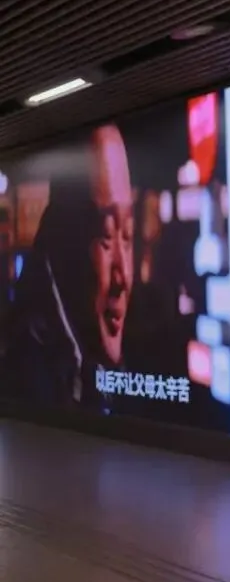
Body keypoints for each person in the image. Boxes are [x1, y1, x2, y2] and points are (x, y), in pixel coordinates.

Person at [2, 123, 134, 408]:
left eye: (128, 236)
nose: (122, 277)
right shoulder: (28, 372)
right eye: (106, 236)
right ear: (63, 238)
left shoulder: (111, 368)